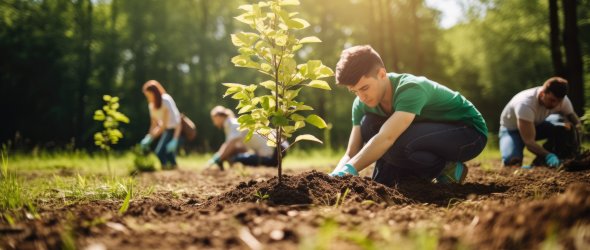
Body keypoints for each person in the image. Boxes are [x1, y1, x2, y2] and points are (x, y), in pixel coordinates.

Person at [328, 45, 488, 186]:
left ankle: (447, 168)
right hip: (421, 135)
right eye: (354, 92)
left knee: (396, 144)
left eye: (364, 88)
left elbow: (387, 138)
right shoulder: (361, 104)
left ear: (382, 74)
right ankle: (414, 177)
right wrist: (334, 177)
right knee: (369, 126)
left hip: (468, 133)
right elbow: (351, 152)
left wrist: (349, 170)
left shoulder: (410, 88)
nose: (361, 97)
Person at [499, 77, 581, 168]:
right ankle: (547, 157)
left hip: (537, 124)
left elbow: (575, 122)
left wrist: (577, 147)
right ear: (542, 94)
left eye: (559, 101)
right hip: (512, 131)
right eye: (552, 100)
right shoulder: (525, 104)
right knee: (512, 163)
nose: (556, 104)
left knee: (566, 126)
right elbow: (529, 142)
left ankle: (551, 159)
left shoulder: (562, 100)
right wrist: (548, 155)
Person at [208, 105, 287, 170]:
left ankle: (268, 163)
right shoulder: (233, 122)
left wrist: (218, 159)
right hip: (280, 148)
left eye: (214, 120)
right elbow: (232, 146)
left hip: (274, 153)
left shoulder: (232, 124)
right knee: (234, 155)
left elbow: (230, 145)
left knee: (235, 159)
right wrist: (219, 156)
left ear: (218, 117)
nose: (214, 123)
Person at [139, 80, 182, 170]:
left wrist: (151, 138)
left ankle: (167, 168)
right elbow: (154, 124)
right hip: (166, 129)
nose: (147, 97)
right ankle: (172, 167)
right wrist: (149, 136)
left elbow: (172, 123)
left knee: (160, 152)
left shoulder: (165, 100)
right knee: (167, 152)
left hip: (175, 129)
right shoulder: (151, 105)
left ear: (154, 93)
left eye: (148, 95)